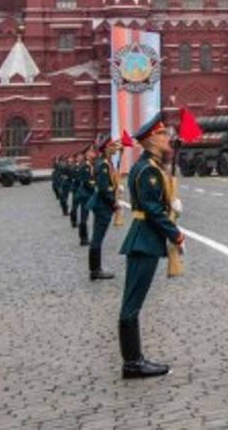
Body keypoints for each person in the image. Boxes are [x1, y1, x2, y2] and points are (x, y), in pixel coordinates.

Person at [117, 113, 184, 379]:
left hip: (145, 239)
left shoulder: (150, 167)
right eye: (164, 136)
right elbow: (153, 210)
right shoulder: (148, 170)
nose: (169, 140)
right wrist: (175, 233)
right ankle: (132, 363)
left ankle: (134, 360)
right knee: (131, 305)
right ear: (153, 141)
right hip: (144, 241)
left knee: (132, 303)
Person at [86, 137, 120, 281]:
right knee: (97, 239)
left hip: (101, 205)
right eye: (111, 146)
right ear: (105, 148)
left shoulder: (105, 163)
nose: (114, 148)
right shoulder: (104, 165)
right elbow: (104, 189)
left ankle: (95, 269)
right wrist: (114, 203)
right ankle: (95, 270)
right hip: (102, 206)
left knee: (97, 238)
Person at [77, 139, 100, 247]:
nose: (93, 153)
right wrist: (97, 186)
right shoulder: (83, 167)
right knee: (83, 219)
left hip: (93, 195)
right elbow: (87, 182)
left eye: (94, 151)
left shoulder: (94, 165)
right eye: (91, 151)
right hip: (86, 195)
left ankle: (96, 236)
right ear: (86, 154)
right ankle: (83, 238)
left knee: (98, 216)